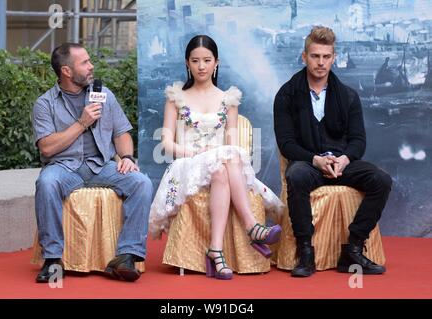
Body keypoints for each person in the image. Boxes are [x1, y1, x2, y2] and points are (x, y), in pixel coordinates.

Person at [149, 35, 283, 280]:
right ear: (187, 63)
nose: (201, 66)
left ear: (216, 63)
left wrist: (216, 156)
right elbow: (167, 143)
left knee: (223, 166)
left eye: (207, 60)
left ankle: (216, 251)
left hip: (221, 164)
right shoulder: (176, 97)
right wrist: (193, 153)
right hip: (187, 163)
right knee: (224, 161)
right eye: (196, 61)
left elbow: (231, 144)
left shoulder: (228, 99)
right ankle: (252, 227)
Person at [273, 26, 392, 278]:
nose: (321, 62)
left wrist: (344, 159)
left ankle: (354, 248)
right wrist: (315, 160)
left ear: (334, 58)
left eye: (326, 57)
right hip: (309, 162)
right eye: (315, 56)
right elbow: (286, 143)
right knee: (296, 176)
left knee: (381, 180)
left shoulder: (348, 95)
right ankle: (306, 252)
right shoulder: (286, 94)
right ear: (304, 57)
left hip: (342, 163)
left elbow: (359, 141)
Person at [32, 43, 152, 283]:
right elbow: (46, 147)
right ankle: (53, 259)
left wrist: (126, 157)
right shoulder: (45, 104)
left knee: (141, 182)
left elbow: (121, 133)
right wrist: (81, 123)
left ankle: (126, 256)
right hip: (64, 167)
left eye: (89, 60)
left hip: (102, 166)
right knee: (45, 183)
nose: (91, 66)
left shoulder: (104, 94)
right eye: (84, 62)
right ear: (66, 71)